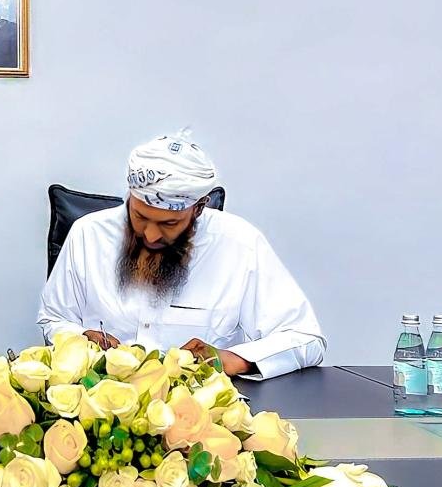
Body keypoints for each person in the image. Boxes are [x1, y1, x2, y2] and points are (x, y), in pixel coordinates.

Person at [37, 130, 325, 380]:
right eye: (139, 217)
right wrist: (80, 339)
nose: (151, 235)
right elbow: (54, 318)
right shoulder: (88, 234)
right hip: (103, 403)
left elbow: (306, 339)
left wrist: (232, 359)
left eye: (169, 223)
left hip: (200, 412)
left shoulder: (240, 243)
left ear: (199, 208)